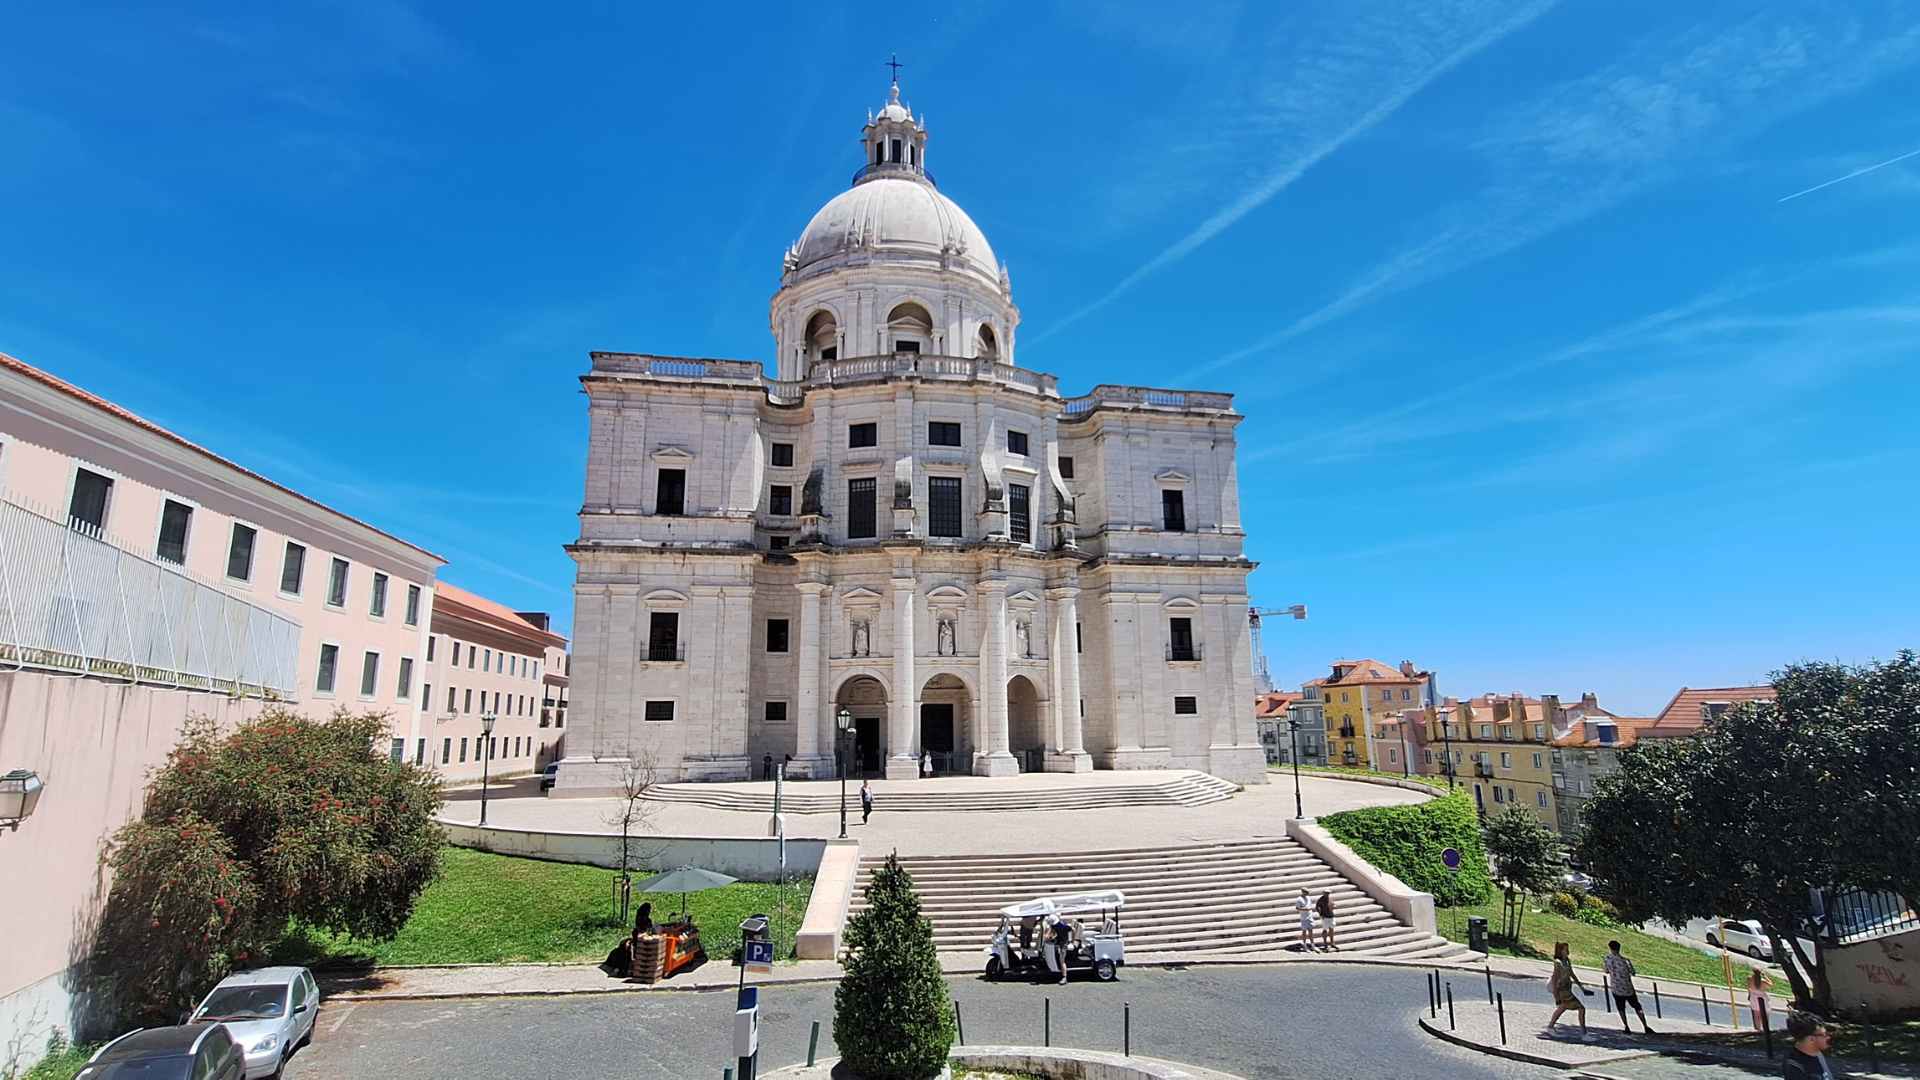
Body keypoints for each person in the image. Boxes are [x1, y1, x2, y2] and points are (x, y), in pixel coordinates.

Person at [1603, 940, 1655, 1033]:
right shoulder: (1626, 961)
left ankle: (1626, 1027)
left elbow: (1606, 971)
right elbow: (1633, 972)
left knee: (1621, 1008)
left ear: (1610, 948)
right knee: (1637, 1006)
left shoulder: (1607, 959)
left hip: (1616, 988)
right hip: (1628, 988)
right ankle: (1645, 1026)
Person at [1546, 941, 1594, 1034]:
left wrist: (1582, 988)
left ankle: (1550, 1027)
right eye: (1565, 949)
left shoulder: (1567, 961)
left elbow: (1572, 974)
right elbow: (1555, 979)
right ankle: (1584, 1033)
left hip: (1568, 988)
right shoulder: (1558, 963)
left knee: (1562, 1008)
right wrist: (1556, 997)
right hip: (1562, 990)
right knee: (1581, 1008)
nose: (1568, 951)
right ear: (1561, 951)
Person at [1782, 1011, 1836, 1079]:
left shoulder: (1817, 1054)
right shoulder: (1795, 1067)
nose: (1828, 1037)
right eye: (1824, 1035)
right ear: (1811, 1039)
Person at [1748, 967, 1775, 1033]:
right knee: (1765, 1015)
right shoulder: (1763, 981)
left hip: (1754, 998)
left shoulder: (1750, 979)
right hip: (1763, 999)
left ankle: (1758, 1030)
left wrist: (1749, 995)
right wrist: (1765, 976)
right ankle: (1765, 1030)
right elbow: (1771, 984)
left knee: (1756, 1015)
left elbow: (1748, 988)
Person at [1052, 916, 1073, 984]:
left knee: (1062, 961)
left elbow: (1073, 929)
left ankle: (1064, 977)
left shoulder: (1062, 926)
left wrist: (1072, 939)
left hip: (1063, 945)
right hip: (1061, 944)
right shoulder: (1061, 925)